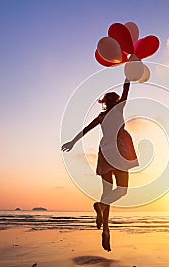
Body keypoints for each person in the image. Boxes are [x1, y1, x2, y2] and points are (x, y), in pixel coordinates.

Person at [61, 78, 138, 251]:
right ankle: (101, 207)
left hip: (105, 152)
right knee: (122, 190)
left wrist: (73, 142)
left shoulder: (102, 116)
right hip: (120, 151)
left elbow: (86, 129)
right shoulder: (119, 109)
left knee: (107, 192)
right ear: (116, 101)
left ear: (105, 103)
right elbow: (127, 90)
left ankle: (106, 229)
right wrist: (128, 75)